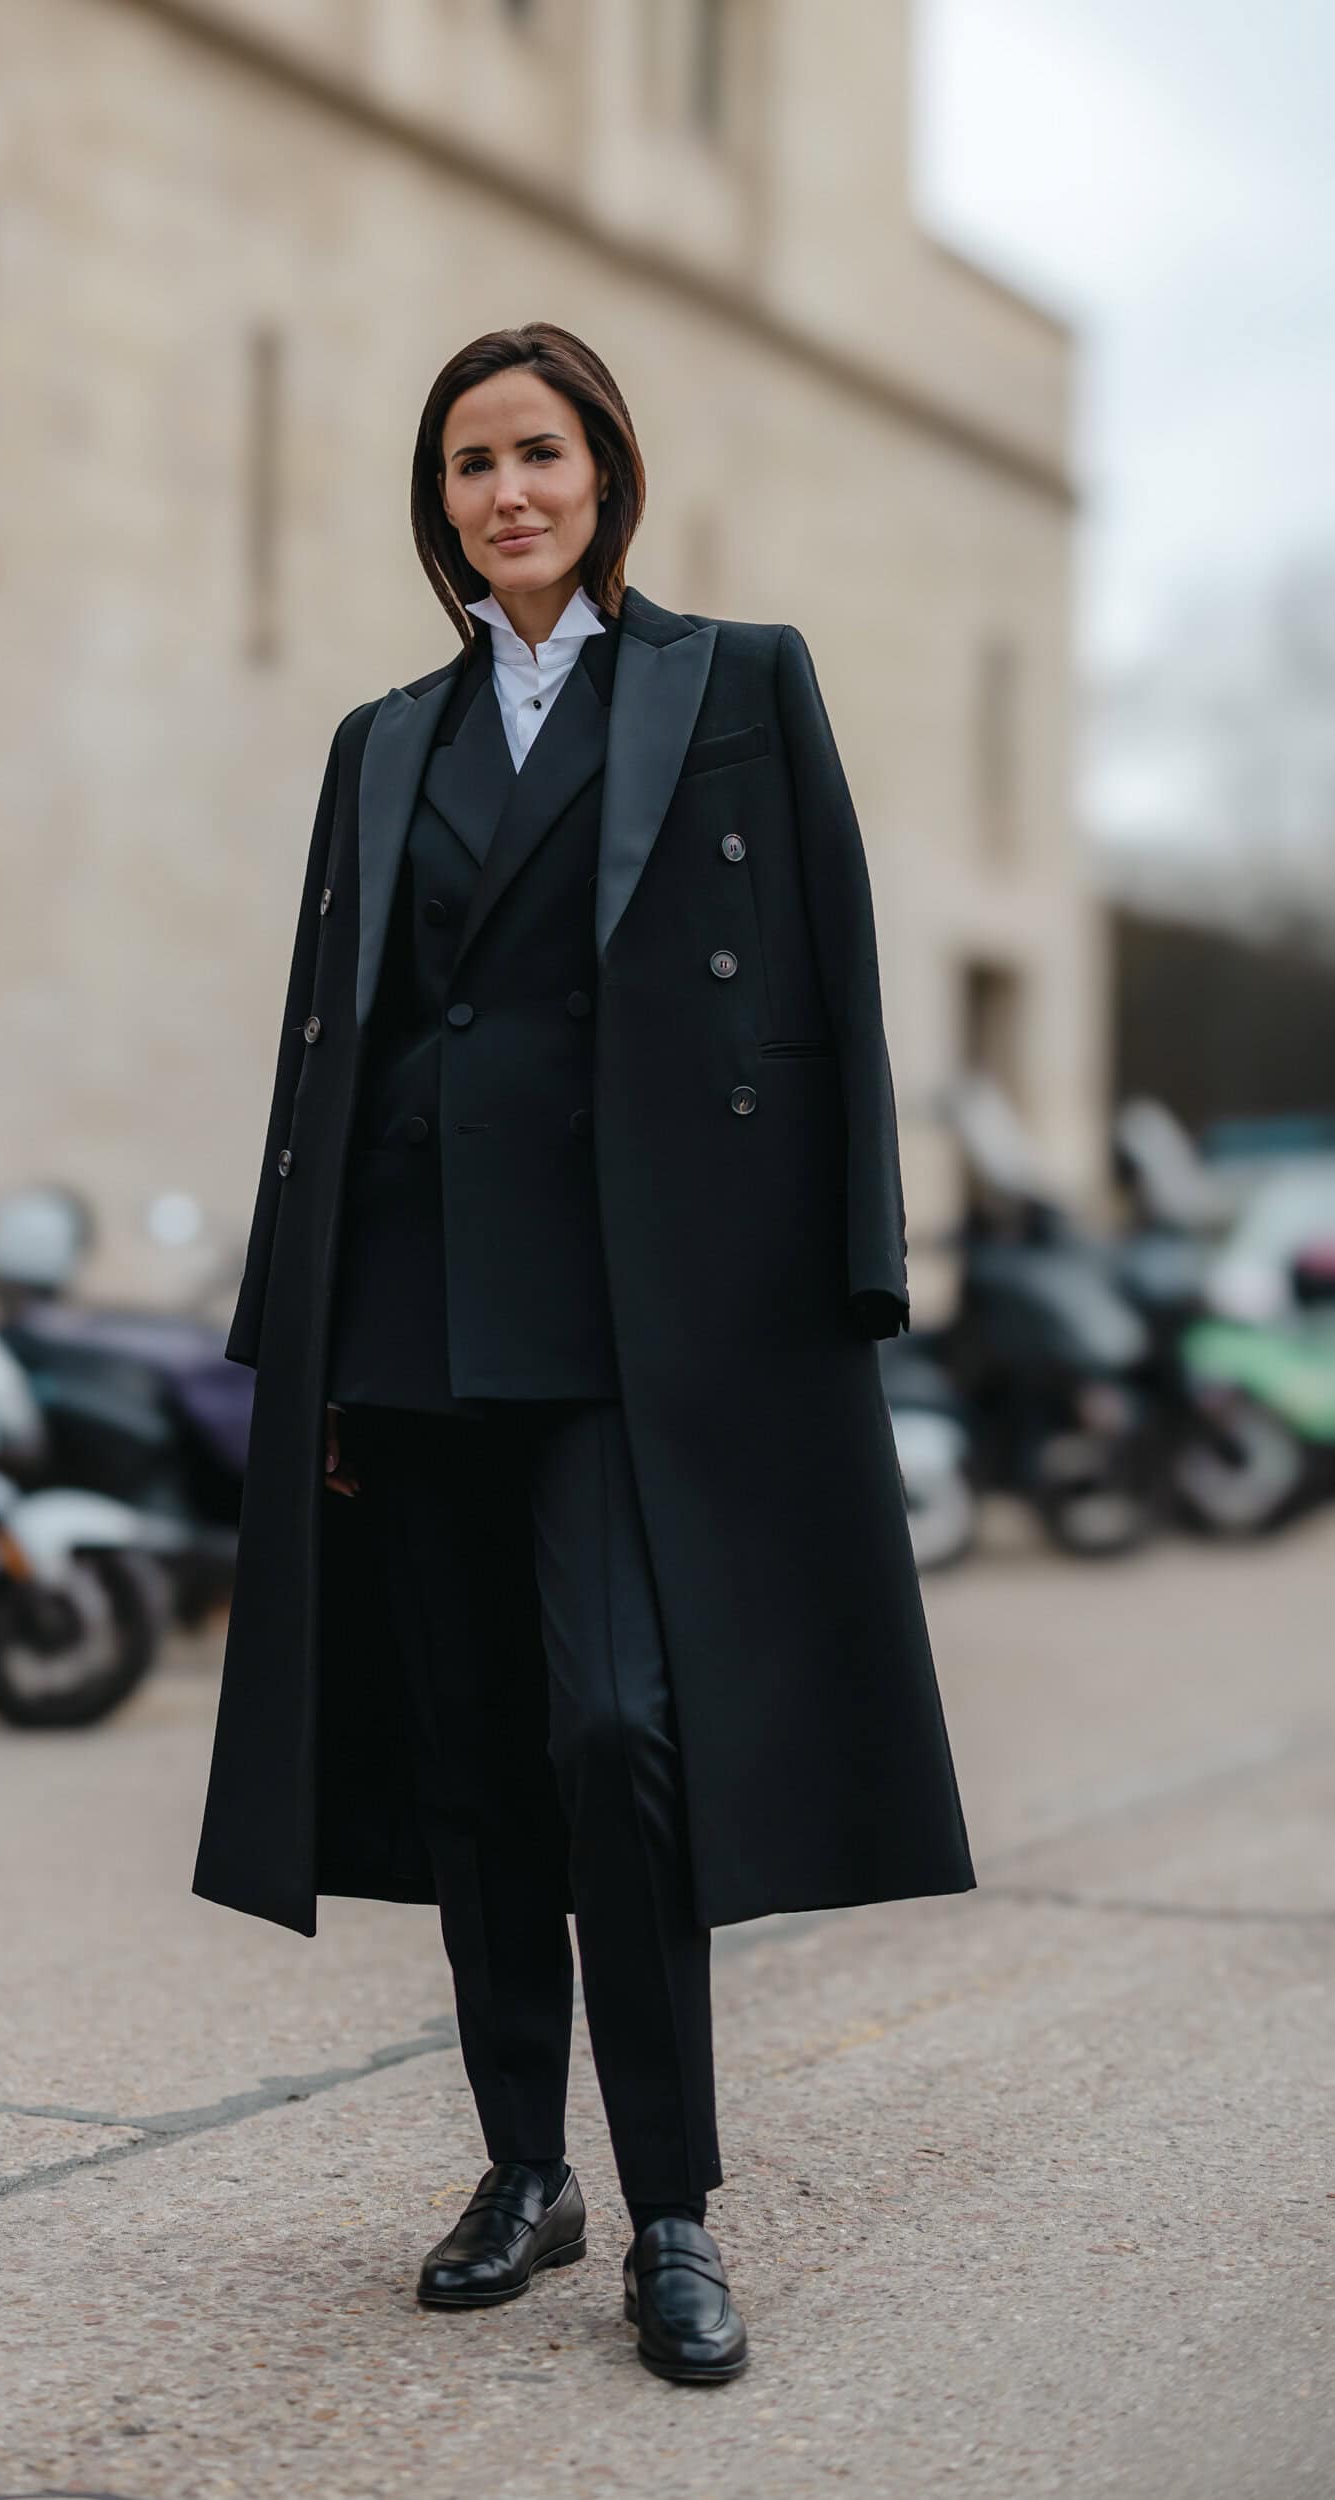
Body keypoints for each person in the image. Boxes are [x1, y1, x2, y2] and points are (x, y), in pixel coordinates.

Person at [193, 322, 975, 2384]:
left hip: (639, 1315)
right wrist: (302, 1344)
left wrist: (855, 1267)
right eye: (471, 464)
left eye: (537, 452)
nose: (506, 492)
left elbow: (831, 985)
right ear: (439, 503)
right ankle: (524, 2171)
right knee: (470, 1755)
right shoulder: (385, 741)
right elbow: (327, 1046)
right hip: (415, 1308)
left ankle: (674, 2208)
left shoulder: (738, 683)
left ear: (606, 472)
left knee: (617, 1731)